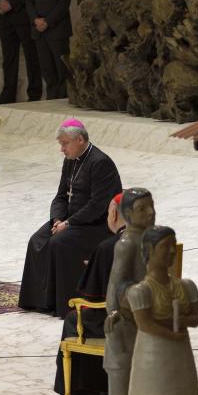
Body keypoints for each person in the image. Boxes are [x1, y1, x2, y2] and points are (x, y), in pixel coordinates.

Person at [18, 119, 122, 315]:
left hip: (96, 225)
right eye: (61, 144)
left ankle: (64, 304)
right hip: (70, 220)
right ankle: (39, 300)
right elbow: (60, 195)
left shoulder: (101, 163)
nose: (62, 149)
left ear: (80, 139)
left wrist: (69, 222)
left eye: (65, 143)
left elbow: (98, 205)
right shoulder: (70, 161)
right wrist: (57, 219)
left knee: (59, 242)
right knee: (37, 240)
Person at [125, 226, 198, 395]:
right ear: (149, 251)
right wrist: (174, 329)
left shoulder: (186, 286)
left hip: (179, 354)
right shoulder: (140, 291)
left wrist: (172, 324)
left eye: (173, 246)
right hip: (153, 356)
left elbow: (195, 319)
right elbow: (144, 324)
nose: (171, 252)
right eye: (164, 248)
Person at [52, 193, 125, 395]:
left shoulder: (109, 247)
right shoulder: (156, 242)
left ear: (113, 214)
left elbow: (92, 293)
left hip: (118, 321)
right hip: (151, 316)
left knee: (75, 318)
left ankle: (82, 392)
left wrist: (93, 268)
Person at [104, 187, 156, 395]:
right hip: (127, 315)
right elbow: (116, 280)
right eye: (142, 209)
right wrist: (113, 311)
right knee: (122, 368)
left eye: (151, 206)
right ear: (126, 213)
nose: (150, 213)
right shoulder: (126, 244)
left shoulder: (153, 238)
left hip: (149, 310)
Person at [25, 0, 73, 100]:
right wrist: (36, 20)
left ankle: (63, 101)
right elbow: (29, 0)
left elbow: (63, 3)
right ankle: (51, 102)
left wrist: (47, 21)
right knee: (46, 69)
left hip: (57, 30)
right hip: (39, 31)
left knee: (61, 69)